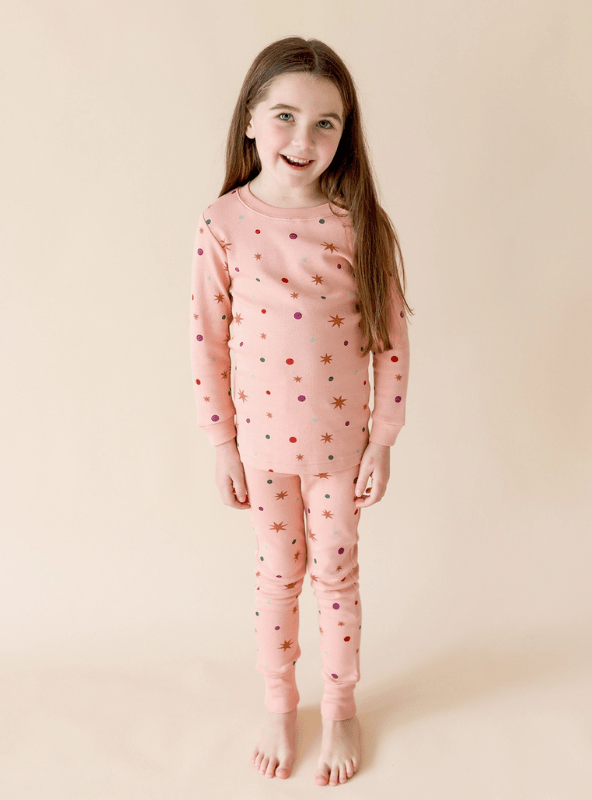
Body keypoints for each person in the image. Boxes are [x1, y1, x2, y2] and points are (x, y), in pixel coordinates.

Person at [188, 36, 411, 786]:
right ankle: (280, 703)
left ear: (345, 133)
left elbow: (390, 339)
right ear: (251, 119)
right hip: (261, 448)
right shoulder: (222, 222)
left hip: (340, 448)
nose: (303, 138)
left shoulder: (360, 222)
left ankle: (341, 706)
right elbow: (206, 341)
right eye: (285, 115)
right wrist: (222, 444)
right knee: (279, 572)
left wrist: (383, 440)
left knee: (337, 573)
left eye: (325, 123)